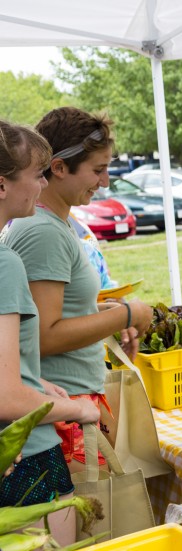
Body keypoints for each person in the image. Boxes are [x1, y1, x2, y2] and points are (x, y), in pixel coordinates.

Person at [2, 107, 153, 471]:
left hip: (68, 399)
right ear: (59, 168)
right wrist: (127, 314)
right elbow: (45, 335)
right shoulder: (42, 231)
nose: (105, 182)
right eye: (98, 170)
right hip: (62, 403)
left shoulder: (58, 225)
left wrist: (104, 316)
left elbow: (47, 312)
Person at [0, 120, 102, 545]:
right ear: (2, 185)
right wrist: (81, 411)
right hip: (27, 457)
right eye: (37, 174)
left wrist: (33, 379)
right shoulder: (5, 265)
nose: (43, 185)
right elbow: (6, 396)